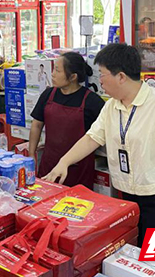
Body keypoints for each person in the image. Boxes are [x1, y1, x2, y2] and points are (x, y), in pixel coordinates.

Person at [44, 43, 155, 245]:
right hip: (127, 195)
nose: (99, 81)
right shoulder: (112, 106)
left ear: (121, 77)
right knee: (133, 254)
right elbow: (92, 137)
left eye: (102, 75)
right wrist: (64, 162)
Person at [29, 52, 105, 188]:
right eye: (53, 69)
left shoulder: (92, 101)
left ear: (73, 77)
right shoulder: (48, 94)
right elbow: (36, 125)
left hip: (79, 169)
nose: (52, 74)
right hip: (49, 164)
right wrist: (31, 154)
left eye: (57, 70)